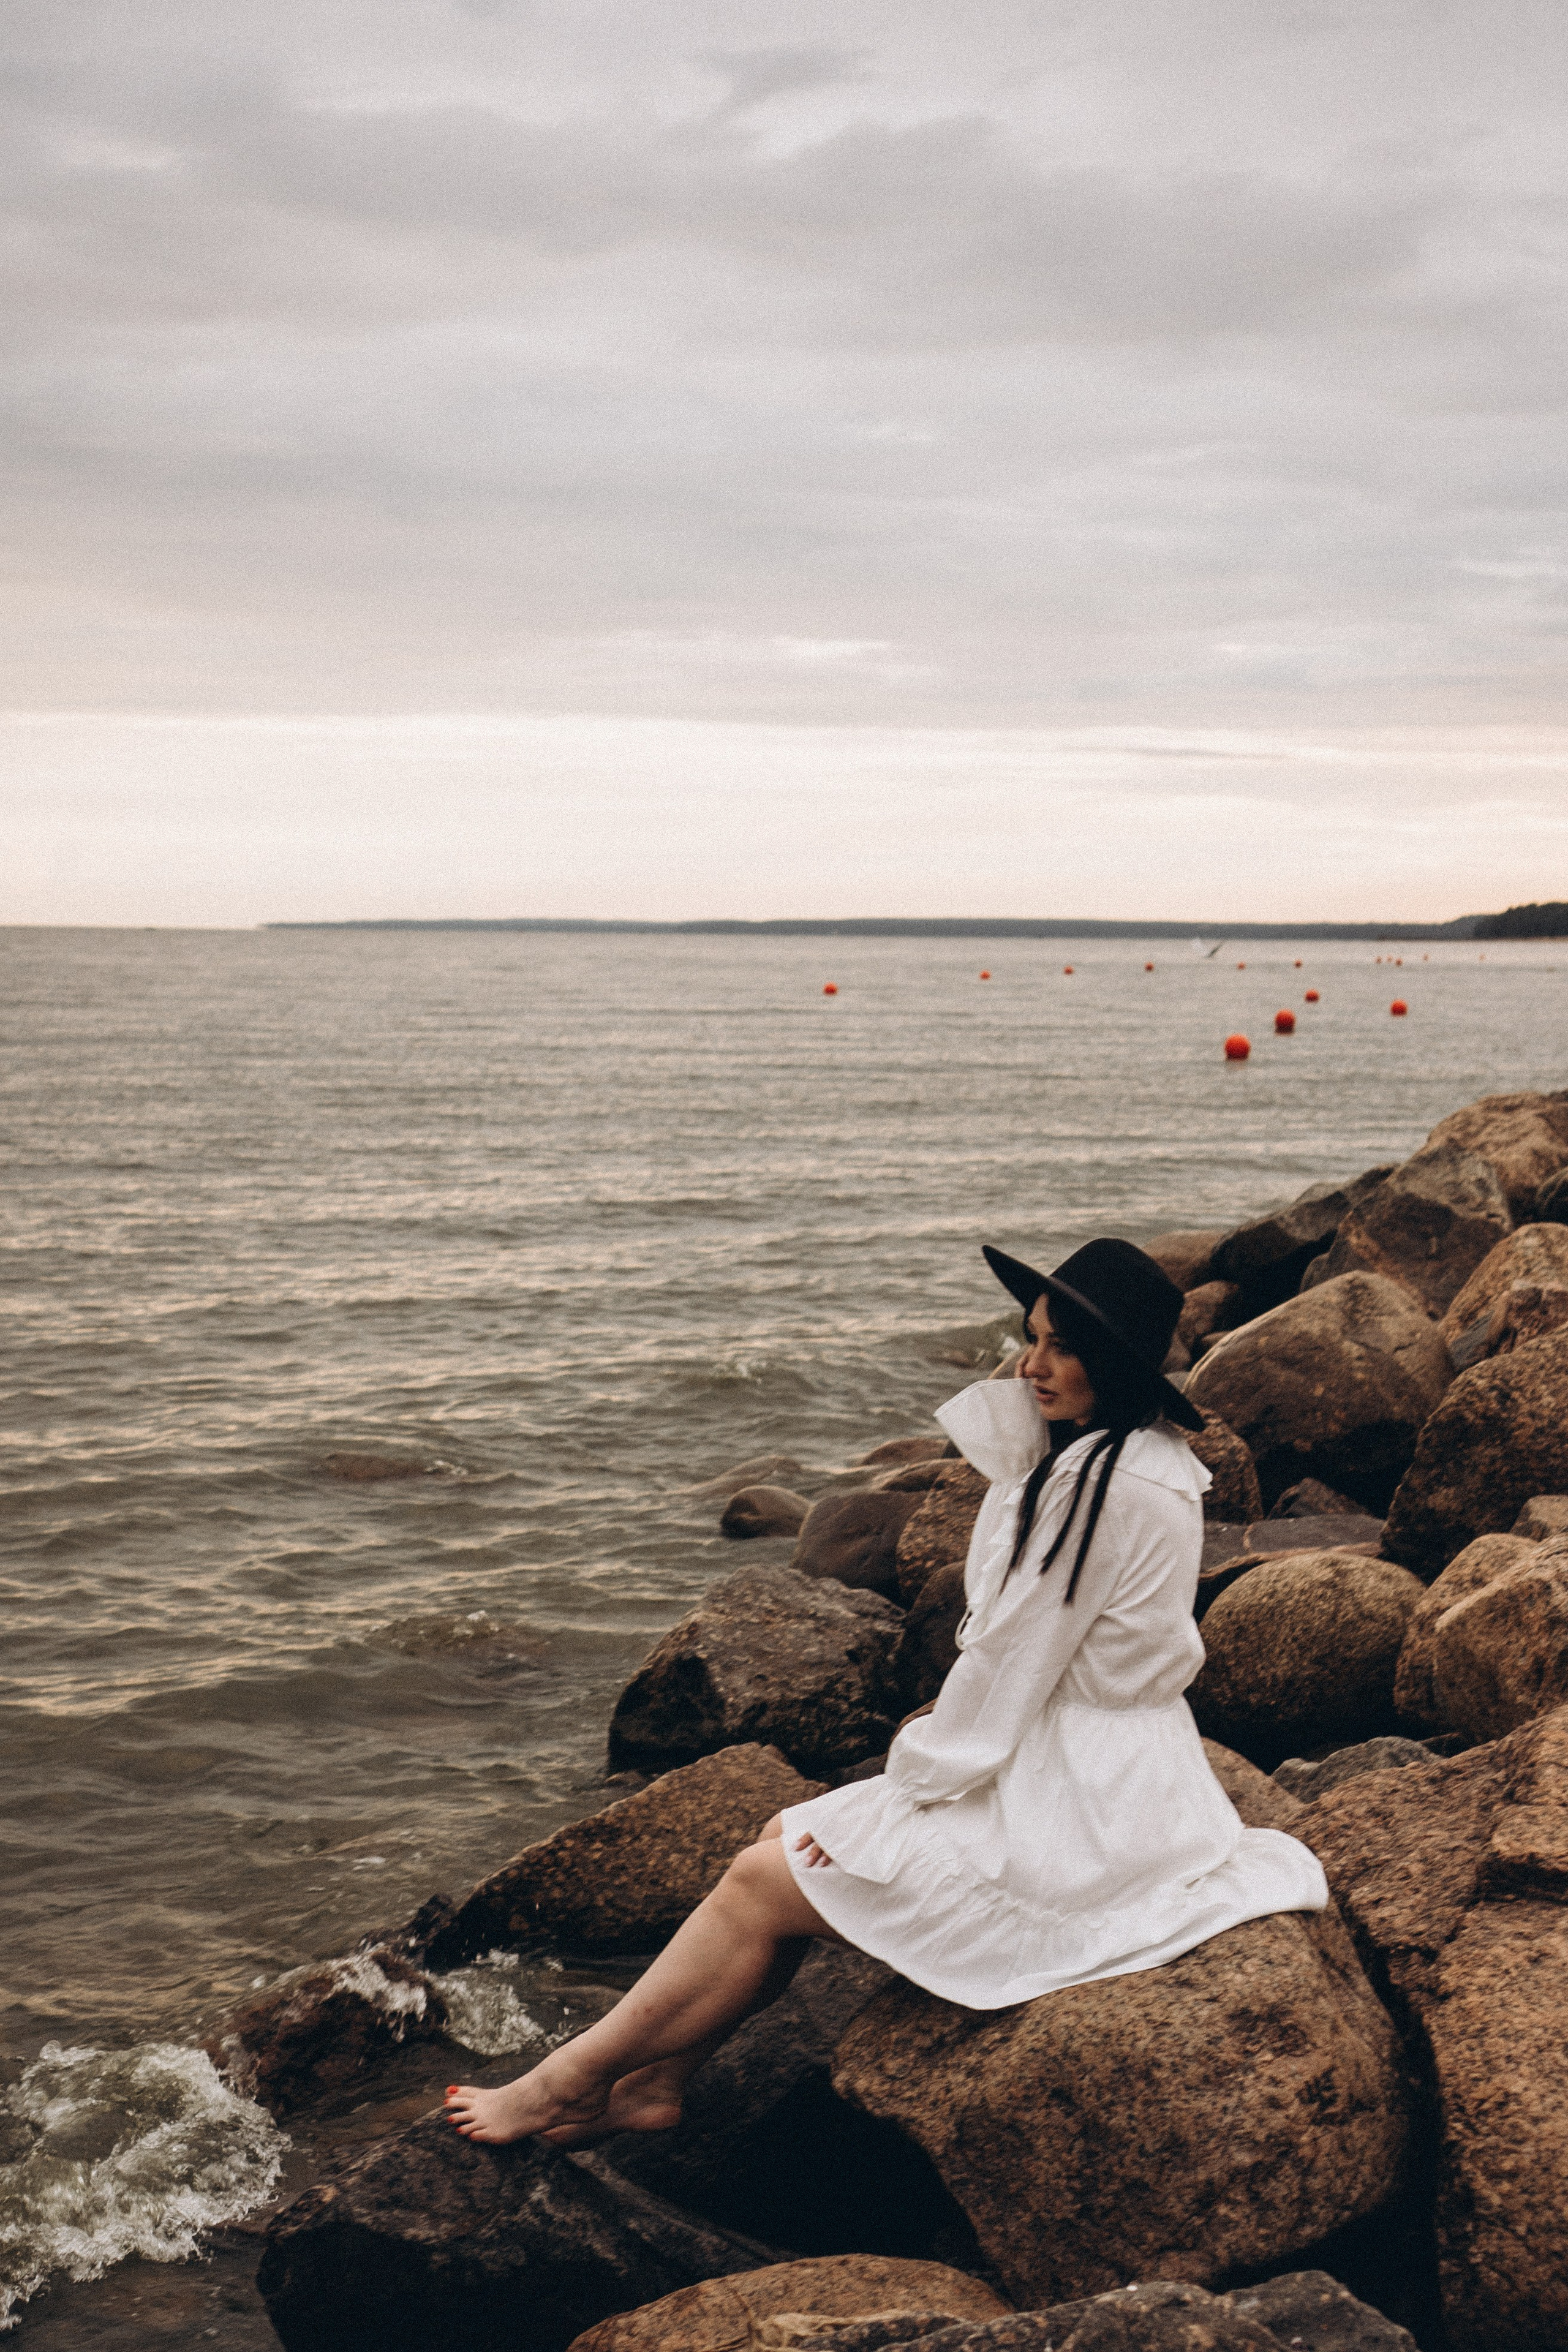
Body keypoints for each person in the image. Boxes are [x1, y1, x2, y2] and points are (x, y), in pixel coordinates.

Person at [445, 1237, 1327, 2146]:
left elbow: (1009, 1664)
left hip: (1082, 1805)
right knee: (782, 1839)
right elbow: (1022, 1630)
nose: (1032, 1365)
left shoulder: (1098, 1487)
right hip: (1114, 1771)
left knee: (762, 1878)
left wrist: (910, 1779)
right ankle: (657, 2080)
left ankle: (569, 2081)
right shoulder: (1138, 1458)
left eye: (1063, 1347)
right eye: (1031, 1339)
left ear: (1116, 1361)